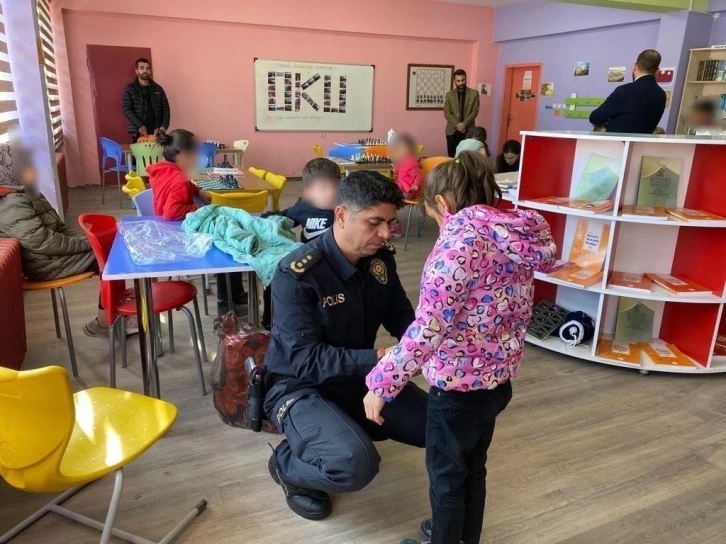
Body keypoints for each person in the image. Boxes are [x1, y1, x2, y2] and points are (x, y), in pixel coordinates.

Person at [363, 151, 556, 544]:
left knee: (447, 478)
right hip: (497, 383)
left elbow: (428, 329)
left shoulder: (458, 246)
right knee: (473, 468)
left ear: (443, 204)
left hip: (456, 389)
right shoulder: (510, 236)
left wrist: (382, 385)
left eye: (435, 219)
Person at [263, 171, 428, 521]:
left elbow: (401, 315)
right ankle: (286, 465)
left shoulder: (380, 259)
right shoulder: (297, 274)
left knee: (438, 425)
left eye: (390, 223)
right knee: (355, 465)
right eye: (374, 223)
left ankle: (344, 429)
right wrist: (382, 358)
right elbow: (306, 362)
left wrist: (427, 345)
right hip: (299, 387)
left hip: (358, 378)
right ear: (341, 216)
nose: (384, 234)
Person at [0, 143, 134, 340]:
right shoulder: (10, 204)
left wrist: (86, 239)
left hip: (54, 256)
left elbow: (61, 228)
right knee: (109, 258)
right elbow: (44, 242)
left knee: (111, 254)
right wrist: (90, 243)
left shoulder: (28, 193)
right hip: (45, 264)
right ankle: (106, 321)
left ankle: (111, 316)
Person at [148, 129, 246, 316]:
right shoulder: (178, 179)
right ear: (183, 155)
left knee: (226, 238)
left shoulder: (166, 170)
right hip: (177, 234)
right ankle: (229, 299)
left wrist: (197, 191)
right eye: (196, 154)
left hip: (164, 229)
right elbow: (172, 212)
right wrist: (200, 210)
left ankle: (235, 295)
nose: (198, 158)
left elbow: (181, 185)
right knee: (228, 247)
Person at [260, 157, 341, 329]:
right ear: (308, 192)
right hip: (308, 262)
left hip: (333, 267)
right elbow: (286, 216)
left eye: (336, 187)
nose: (332, 193)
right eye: (323, 189)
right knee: (274, 277)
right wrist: (264, 220)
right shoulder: (303, 206)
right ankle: (270, 322)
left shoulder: (342, 210)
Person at [589, 49, 666, 134]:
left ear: (635, 66)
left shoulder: (624, 91)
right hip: (641, 146)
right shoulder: (661, 95)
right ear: (657, 71)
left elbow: (595, 117)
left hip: (616, 145)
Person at [122, 58, 170, 142]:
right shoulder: (129, 89)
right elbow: (126, 109)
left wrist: (163, 127)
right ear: (136, 71)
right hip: (138, 132)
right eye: (142, 68)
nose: (145, 71)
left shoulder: (158, 89)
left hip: (156, 132)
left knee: (157, 155)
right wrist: (139, 125)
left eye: (147, 68)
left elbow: (166, 109)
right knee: (139, 155)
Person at [388, 133, 423, 237]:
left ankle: (395, 225)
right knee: (386, 196)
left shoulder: (411, 162)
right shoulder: (403, 161)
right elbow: (402, 174)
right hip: (401, 186)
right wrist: (396, 171)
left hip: (409, 190)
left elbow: (418, 177)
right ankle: (392, 223)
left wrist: (415, 186)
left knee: (388, 198)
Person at [444, 69, 480, 158]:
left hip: (468, 130)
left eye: (463, 80)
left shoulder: (474, 93)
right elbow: (447, 113)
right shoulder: (449, 95)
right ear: (454, 81)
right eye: (458, 81)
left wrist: (464, 124)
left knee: (467, 157)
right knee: (452, 157)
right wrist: (457, 125)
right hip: (452, 130)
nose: (461, 83)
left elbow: (475, 111)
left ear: (466, 79)